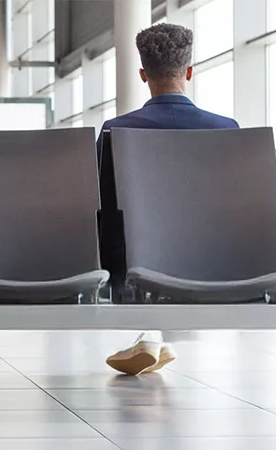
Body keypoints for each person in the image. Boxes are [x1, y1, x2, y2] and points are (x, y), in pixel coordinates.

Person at [100, 23, 239, 376]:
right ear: (189, 71)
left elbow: (102, 206)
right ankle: (154, 336)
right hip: (217, 263)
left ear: (143, 74)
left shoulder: (115, 131)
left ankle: (151, 333)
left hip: (134, 266)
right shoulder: (227, 130)